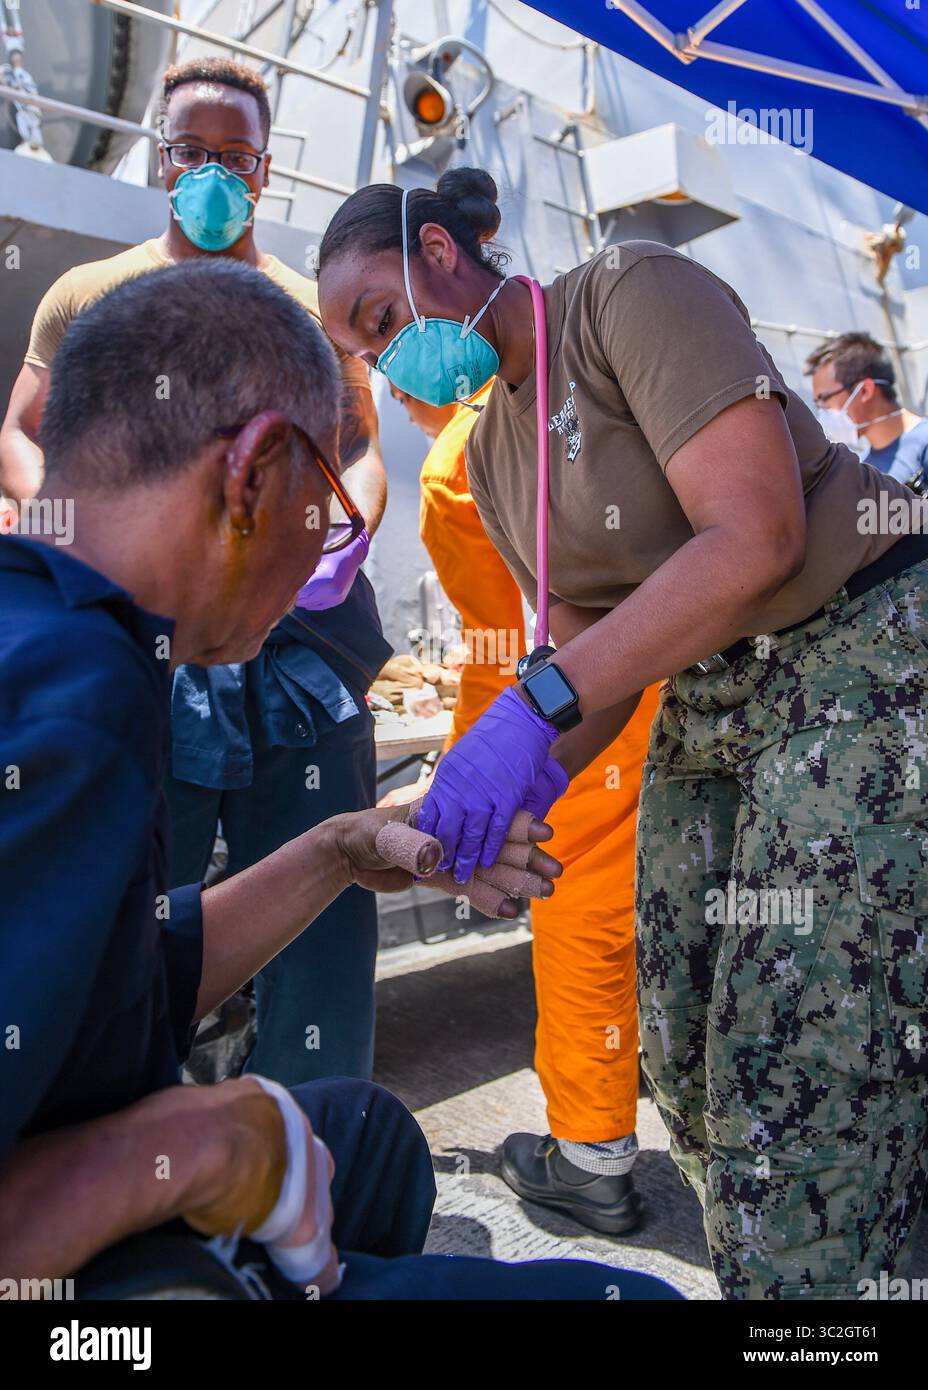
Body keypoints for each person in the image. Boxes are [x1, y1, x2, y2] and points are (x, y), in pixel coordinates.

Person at [0, 260, 683, 1303]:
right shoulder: (76, 701)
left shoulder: (67, 634)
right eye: (325, 505)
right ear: (255, 473)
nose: (329, 547)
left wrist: (341, 848)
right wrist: (208, 1145)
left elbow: (114, 978)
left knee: (369, 1134)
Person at [316, 166, 928, 1301]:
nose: (382, 358)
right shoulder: (496, 445)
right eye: (361, 348)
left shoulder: (627, 296)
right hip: (710, 693)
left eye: (382, 320)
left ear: (442, 251)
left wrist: (527, 711)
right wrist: (489, 798)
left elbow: (755, 537)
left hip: (858, 647)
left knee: (804, 1049)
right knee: (685, 1031)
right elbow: (590, 655)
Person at [0, 56, 391, 1088]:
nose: (211, 173)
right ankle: (130, 1129)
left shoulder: (311, 308)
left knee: (321, 919)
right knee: (127, 901)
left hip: (296, 648)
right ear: (157, 156)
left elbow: (359, 448)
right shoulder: (88, 294)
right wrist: (87, 536)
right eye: (189, 151)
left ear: (264, 170)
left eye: (234, 155)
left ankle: (326, 1141)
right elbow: (23, 433)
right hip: (153, 642)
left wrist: (345, 535)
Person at [384, 382, 660, 1235]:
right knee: (652, 916)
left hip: (555, 723)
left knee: (578, 925)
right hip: (635, 694)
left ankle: (589, 1157)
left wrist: (469, 764)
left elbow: (505, 632)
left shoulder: (457, 460)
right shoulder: (557, 411)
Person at [806, 331, 928, 489]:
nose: (822, 411)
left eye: (824, 399)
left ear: (865, 391)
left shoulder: (924, 442)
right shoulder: (863, 468)